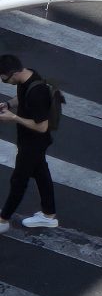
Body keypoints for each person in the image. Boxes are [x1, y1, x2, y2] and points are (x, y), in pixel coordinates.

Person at [0, 55, 59, 234]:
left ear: (14, 73)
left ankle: (3, 220)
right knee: (41, 174)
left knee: (18, 181)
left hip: (33, 143)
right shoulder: (28, 76)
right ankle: (48, 215)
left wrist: (14, 117)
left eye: (4, 79)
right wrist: (8, 104)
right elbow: (22, 96)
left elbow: (42, 127)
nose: (3, 81)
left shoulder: (36, 93)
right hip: (29, 140)